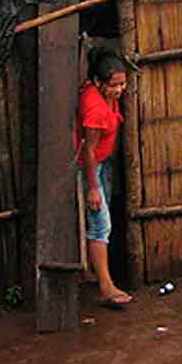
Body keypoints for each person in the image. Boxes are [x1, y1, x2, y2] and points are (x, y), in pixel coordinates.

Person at [75, 46, 132, 309]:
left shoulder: (103, 93)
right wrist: (92, 187)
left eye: (122, 83)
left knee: (100, 219)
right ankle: (105, 286)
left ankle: (93, 271)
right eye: (115, 85)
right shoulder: (95, 107)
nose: (120, 89)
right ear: (99, 82)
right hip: (92, 166)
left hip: (103, 162)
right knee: (101, 224)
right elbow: (87, 148)